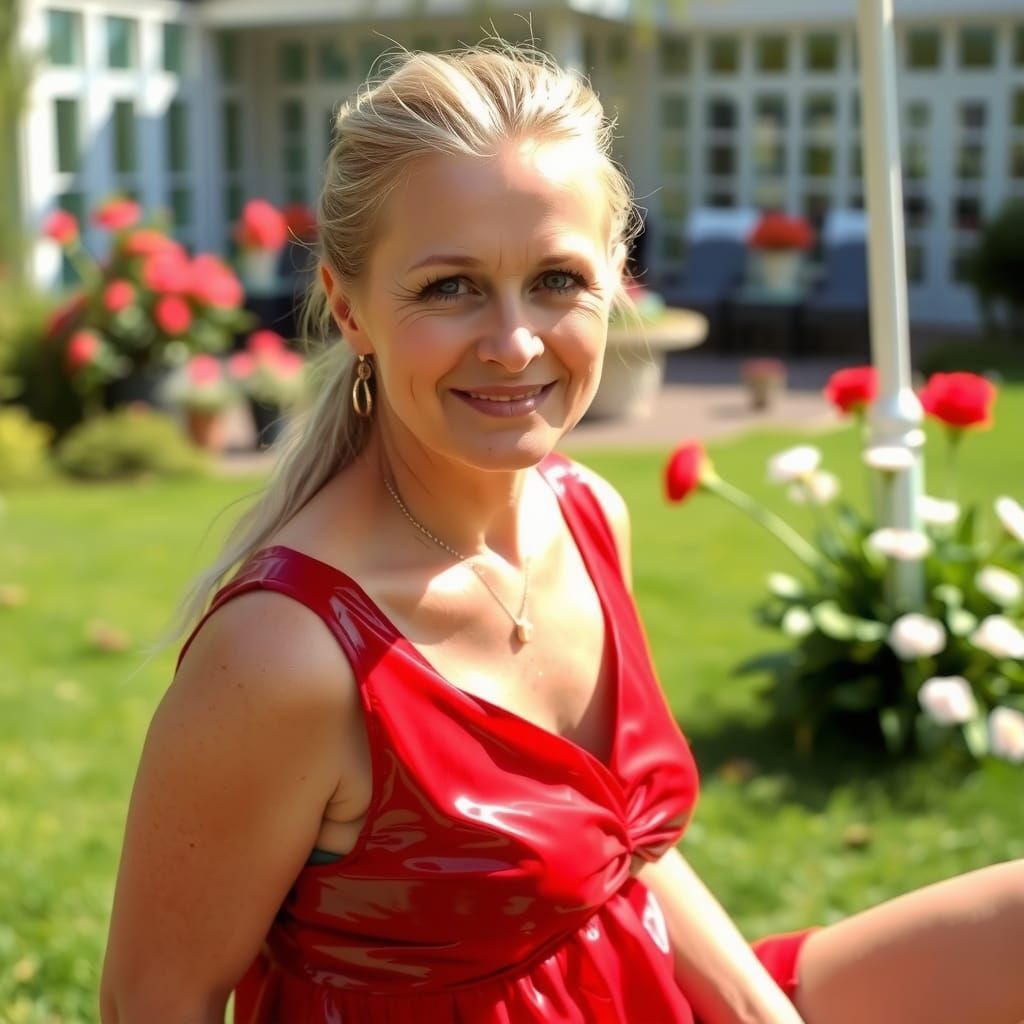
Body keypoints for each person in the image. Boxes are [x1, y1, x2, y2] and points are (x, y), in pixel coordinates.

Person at [100, 44, 1024, 1024]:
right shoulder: (288, 653)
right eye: (449, 287)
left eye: (555, 280)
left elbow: (625, 847)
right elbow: (155, 1000)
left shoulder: (583, 512)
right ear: (348, 307)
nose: (514, 343)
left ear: (617, 281)